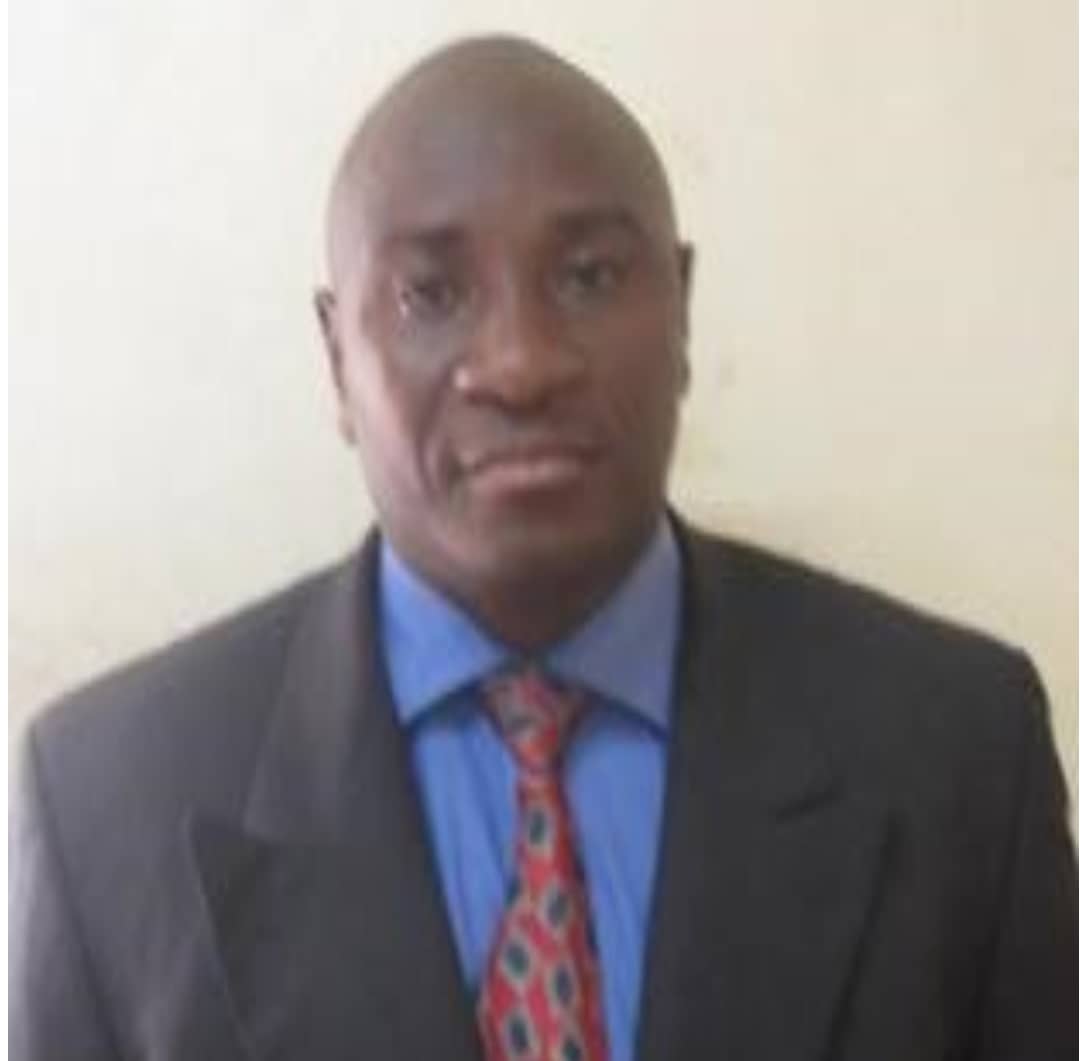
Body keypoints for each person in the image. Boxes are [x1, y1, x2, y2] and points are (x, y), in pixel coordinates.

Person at [12, 34, 1075, 1061]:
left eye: (590, 277)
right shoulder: (107, 799)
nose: (520, 364)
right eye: (431, 293)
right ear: (338, 357)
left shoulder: (960, 751)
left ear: (683, 310)